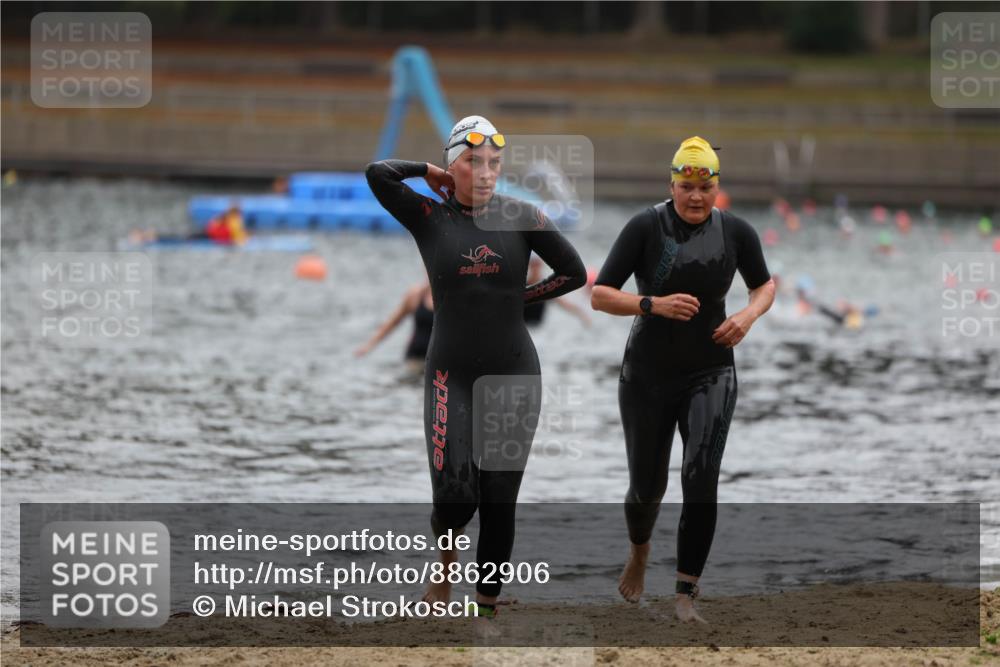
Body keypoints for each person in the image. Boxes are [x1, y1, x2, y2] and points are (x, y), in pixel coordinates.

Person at [366, 115, 586, 621]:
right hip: (450, 373)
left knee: (499, 499)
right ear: (453, 167)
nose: (485, 172)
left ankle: (485, 611)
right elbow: (378, 174)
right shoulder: (428, 215)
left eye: (493, 163)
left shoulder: (522, 214)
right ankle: (444, 568)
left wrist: (519, 298)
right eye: (472, 162)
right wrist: (426, 171)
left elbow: (573, 273)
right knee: (454, 493)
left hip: (513, 371)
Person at [590, 136, 774, 624]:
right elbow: (601, 295)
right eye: (686, 186)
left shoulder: (736, 232)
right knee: (646, 488)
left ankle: (685, 594)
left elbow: (765, 284)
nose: (695, 196)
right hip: (647, 373)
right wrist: (652, 303)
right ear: (671, 184)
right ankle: (640, 551)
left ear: (717, 186)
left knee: (701, 477)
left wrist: (748, 316)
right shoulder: (646, 227)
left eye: (705, 187)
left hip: (711, 370)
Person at [354, 281, 434, 372]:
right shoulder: (416, 295)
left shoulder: (450, 296)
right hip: (416, 357)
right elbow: (392, 322)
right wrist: (368, 345)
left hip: (442, 360)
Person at [523, 255, 591, 327]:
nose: (535, 268)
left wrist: (580, 314)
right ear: (530, 265)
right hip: (523, 324)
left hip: (537, 326)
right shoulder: (522, 286)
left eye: (537, 265)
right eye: (534, 265)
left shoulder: (545, 287)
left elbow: (563, 303)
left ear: (541, 266)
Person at [129, 205, 247, 246]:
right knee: (181, 239)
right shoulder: (230, 220)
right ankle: (150, 237)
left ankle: (149, 235)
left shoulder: (226, 219)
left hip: (206, 235)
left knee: (181, 237)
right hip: (206, 237)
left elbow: (234, 234)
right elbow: (236, 236)